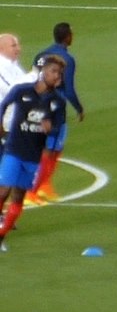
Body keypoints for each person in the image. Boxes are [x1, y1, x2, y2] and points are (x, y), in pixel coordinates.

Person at [0, 56, 66, 253]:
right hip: (14, 148)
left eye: (59, 73)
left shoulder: (58, 102)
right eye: (54, 71)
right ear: (43, 71)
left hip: (33, 155)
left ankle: (2, 235)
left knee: (19, 196)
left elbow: (57, 129)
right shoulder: (23, 91)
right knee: (3, 191)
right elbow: (3, 105)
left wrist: (50, 129)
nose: (57, 76)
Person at [27, 22, 83, 205]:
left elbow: (32, 80)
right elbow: (69, 89)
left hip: (37, 105)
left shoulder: (40, 55)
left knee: (49, 149)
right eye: (71, 34)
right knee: (51, 150)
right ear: (67, 37)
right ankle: (32, 191)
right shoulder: (66, 59)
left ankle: (44, 186)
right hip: (55, 110)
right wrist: (79, 109)